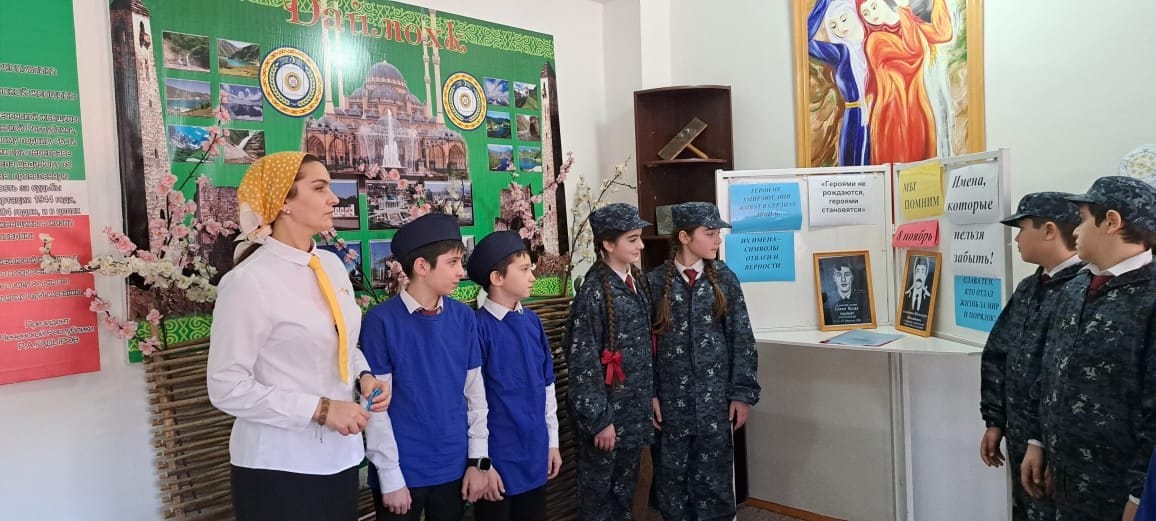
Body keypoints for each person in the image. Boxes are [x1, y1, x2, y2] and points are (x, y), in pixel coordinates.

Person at [207, 152, 390, 521]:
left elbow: (342, 340)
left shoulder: (332, 265)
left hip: (340, 458)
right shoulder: (249, 282)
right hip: (279, 468)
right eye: (319, 188)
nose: (334, 199)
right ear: (284, 202)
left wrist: (364, 376)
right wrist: (320, 410)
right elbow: (225, 386)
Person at [1022, 177, 1156, 520]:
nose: (1076, 230)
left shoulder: (1150, 296)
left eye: (1082, 219)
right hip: (1064, 481)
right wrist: (1038, 442)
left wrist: (1140, 495)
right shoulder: (1076, 286)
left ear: (1111, 222)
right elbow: (1049, 368)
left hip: (1119, 491)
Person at [361, 213, 497, 521]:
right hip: (402, 469)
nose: (461, 272)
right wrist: (390, 475)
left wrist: (478, 460)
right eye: (453, 262)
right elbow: (375, 405)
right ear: (422, 267)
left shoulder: (464, 317)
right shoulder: (380, 322)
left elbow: (475, 394)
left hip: (454, 466)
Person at [647, 202, 761, 521]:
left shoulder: (725, 279)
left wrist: (742, 394)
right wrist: (650, 395)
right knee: (672, 488)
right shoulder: (654, 283)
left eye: (717, 234)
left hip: (715, 406)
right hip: (671, 409)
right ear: (684, 237)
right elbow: (644, 348)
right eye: (709, 234)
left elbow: (742, 338)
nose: (717, 240)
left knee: (715, 487)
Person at [977, 192, 1083, 521]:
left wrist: (1043, 441)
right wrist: (995, 420)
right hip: (1020, 434)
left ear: (1049, 230)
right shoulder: (1029, 286)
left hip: (1058, 445)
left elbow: (1064, 378)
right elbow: (998, 353)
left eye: (1022, 229)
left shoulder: (1080, 290)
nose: (1017, 239)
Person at [564, 203, 656, 521]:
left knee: (623, 498)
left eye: (639, 237)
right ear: (608, 243)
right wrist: (600, 420)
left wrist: (650, 398)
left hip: (633, 413)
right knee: (598, 501)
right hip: (605, 420)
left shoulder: (636, 282)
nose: (640, 245)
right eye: (632, 239)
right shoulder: (593, 293)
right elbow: (582, 363)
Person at [466, 231, 563, 521]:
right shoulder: (477, 328)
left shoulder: (532, 322)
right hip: (498, 457)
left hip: (535, 450)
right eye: (524, 270)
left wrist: (552, 442)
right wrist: (483, 462)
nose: (532, 276)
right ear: (497, 278)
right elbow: (471, 400)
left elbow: (547, 385)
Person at [856, 0, 953, 164]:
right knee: (895, 170)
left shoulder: (909, 24)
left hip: (919, 111)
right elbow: (913, 52)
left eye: (874, 6)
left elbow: (943, 33)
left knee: (923, 171)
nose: (872, 15)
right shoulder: (874, 41)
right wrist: (904, 9)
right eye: (865, 13)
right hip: (891, 117)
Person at [807, 0, 871, 165]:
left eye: (843, 19)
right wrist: (823, 3)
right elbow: (805, 41)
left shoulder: (875, 43)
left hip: (878, 115)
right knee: (852, 169)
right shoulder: (841, 52)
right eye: (833, 26)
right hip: (854, 119)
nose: (840, 29)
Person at [822, 259, 871, 325]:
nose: (843, 279)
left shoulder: (862, 298)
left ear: (852, 277)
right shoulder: (828, 299)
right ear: (834, 278)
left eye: (847, 275)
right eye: (839, 275)